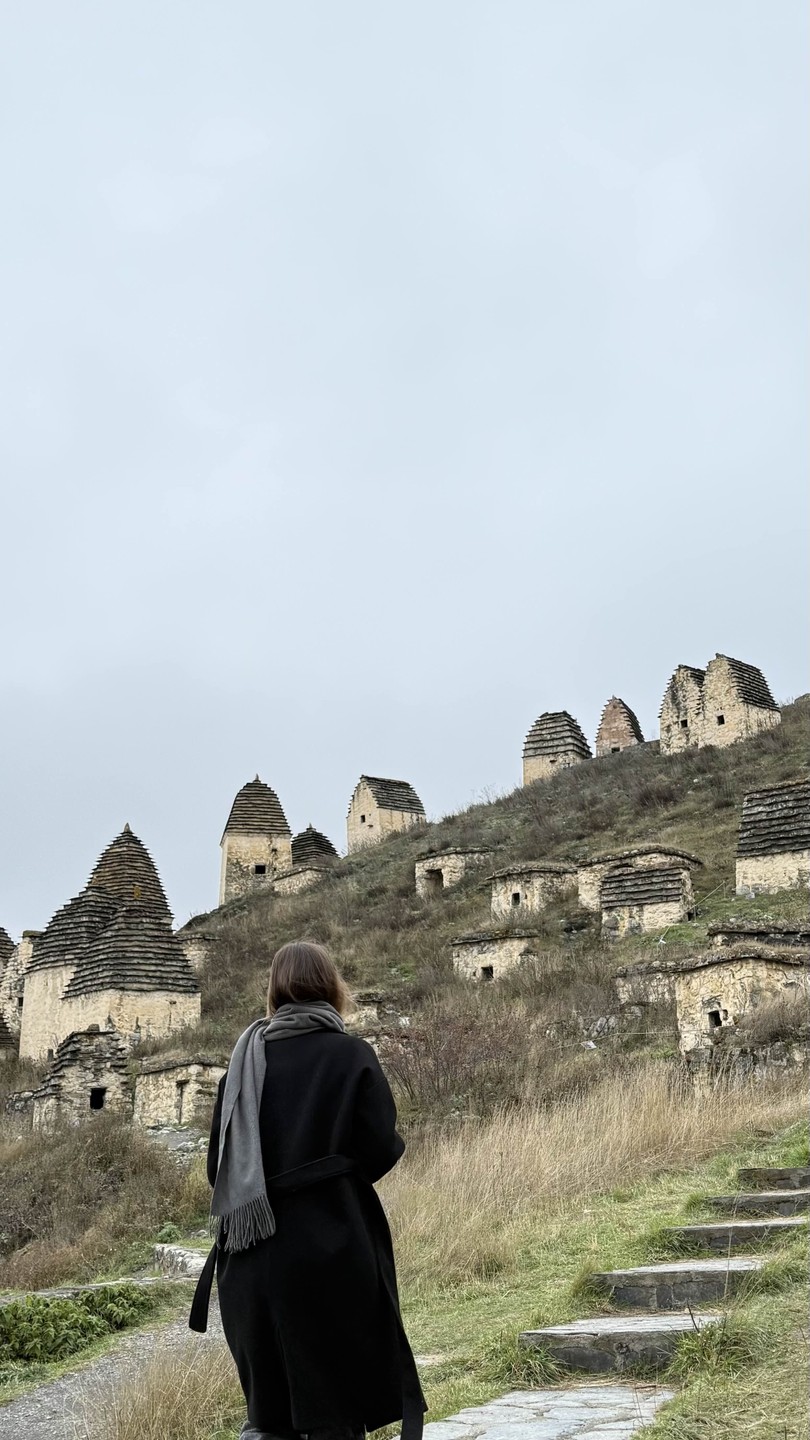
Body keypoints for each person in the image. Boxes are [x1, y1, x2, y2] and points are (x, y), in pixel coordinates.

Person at [190, 939, 425, 1440]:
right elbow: (381, 1146)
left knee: (268, 1414)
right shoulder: (351, 1055)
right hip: (333, 1247)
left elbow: (219, 1169)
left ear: (274, 991)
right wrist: (332, 1174)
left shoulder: (243, 1065)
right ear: (332, 987)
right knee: (335, 1409)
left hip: (251, 1257)